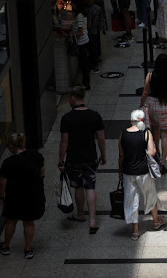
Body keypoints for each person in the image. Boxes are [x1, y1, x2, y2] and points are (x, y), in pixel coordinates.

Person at [58, 86, 106, 232]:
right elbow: (101, 138)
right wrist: (103, 155)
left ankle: (80, 214)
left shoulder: (67, 118)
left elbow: (64, 142)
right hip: (90, 156)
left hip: (74, 158)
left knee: (78, 186)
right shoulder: (95, 115)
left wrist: (61, 160)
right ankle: (92, 221)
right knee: (90, 186)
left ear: (73, 97)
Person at [118, 110, 167, 241]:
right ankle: (156, 222)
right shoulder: (146, 133)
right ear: (143, 120)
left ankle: (135, 231)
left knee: (132, 199)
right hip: (144, 171)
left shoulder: (123, 134)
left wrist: (120, 172)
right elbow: (152, 152)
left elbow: (121, 155)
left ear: (131, 120)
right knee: (150, 195)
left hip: (128, 172)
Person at [0, 132, 45, 259]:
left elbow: (2, 181)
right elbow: (42, 172)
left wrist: (2, 197)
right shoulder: (36, 155)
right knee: (29, 221)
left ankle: (5, 246)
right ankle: (28, 249)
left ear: (12, 147)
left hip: (14, 196)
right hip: (32, 195)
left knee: (11, 220)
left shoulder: (9, 162)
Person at [139, 53, 167, 172]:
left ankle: (157, 154)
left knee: (155, 130)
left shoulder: (150, 76)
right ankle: (163, 163)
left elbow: (145, 92)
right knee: (165, 134)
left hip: (154, 105)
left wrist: (141, 103)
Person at [70, 0, 92, 89]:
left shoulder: (79, 16)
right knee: (84, 64)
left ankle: (86, 84)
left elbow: (81, 31)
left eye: (72, 3)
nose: (71, 5)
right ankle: (85, 83)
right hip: (85, 41)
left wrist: (72, 35)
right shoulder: (83, 14)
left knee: (83, 64)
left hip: (81, 43)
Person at [79, 0, 101, 73]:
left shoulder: (89, 10)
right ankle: (96, 60)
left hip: (91, 32)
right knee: (95, 46)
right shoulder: (96, 8)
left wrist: (85, 28)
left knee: (92, 49)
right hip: (96, 30)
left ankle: (94, 66)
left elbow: (89, 23)